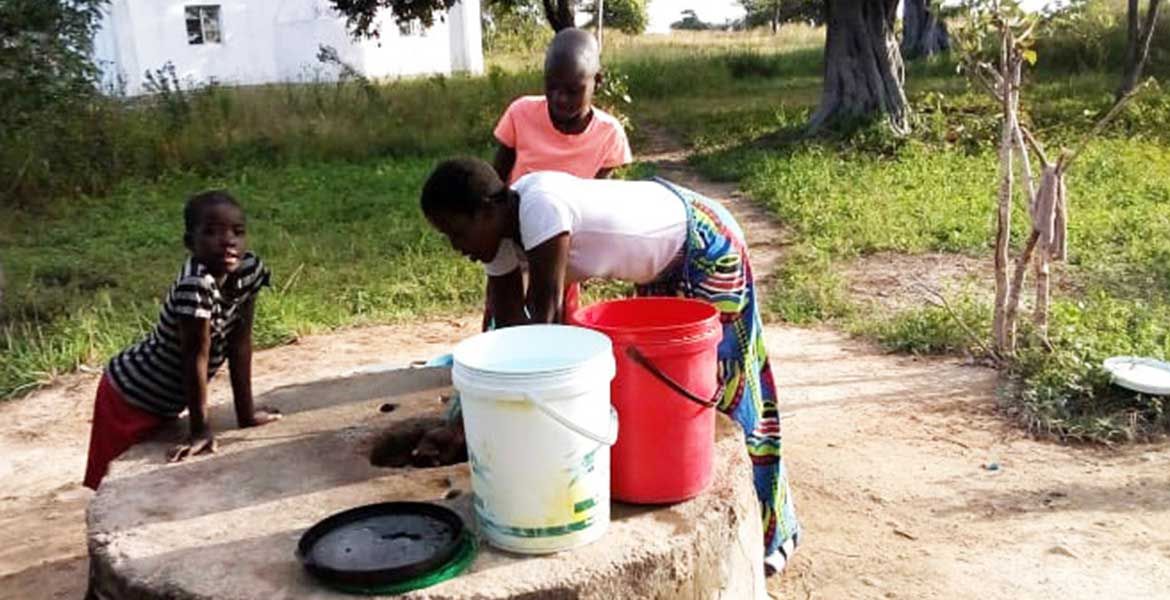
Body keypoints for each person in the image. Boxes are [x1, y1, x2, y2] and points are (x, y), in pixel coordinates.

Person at [418, 158, 801, 573]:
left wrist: (489, 428)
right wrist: (464, 417)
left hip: (706, 242)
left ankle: (773, 533)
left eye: (457, 233)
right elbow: (506, 337)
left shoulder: (540, 206)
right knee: (672, 395)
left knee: (729, 388)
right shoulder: (499, 237)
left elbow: (545, 330)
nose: (457, 248)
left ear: (488, 210)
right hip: (663, 263)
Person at [83, 190, 280, 491]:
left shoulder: (249, 270)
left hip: (165, 400)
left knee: (151, 484)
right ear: (191, 243)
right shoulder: (195, 285)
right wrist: (199, 431)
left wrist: (247, 414)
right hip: (129, 396)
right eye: (212, 232)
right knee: (122, 487)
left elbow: (240, 343)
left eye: (237, 232)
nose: (228, 240)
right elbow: (195, 357)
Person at [488, 27, 633, 326]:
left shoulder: (609, 133)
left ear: (598, 81)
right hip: (513, 240)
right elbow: (494, 182)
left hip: (563, 246)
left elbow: (596, 196)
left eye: (572, 90)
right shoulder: (521, 113)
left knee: (555, 317)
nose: (560, 98)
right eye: (551, 87)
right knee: (504, 314)